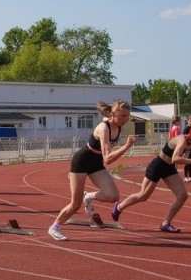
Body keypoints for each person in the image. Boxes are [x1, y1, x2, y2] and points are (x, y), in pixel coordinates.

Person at [48, 100, 137, 241]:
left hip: (95, 162)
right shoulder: (104, 128)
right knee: (75, 204)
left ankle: (88, 196)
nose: (125, 119)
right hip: (82, 161)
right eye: (122, 116)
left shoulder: (118, 127)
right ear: (113, 114)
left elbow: (104, 157)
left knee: (113, 196)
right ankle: (55, 227)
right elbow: (108, 158)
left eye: (127, 116)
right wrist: (126, 147)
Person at [112, 124, 191, 232]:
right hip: (158, 166)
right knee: (143, 196)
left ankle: (165, 223)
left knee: (182, 195)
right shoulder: (182, 140)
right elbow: (175, 159)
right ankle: (119, 207)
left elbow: (174, 161)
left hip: (169, 168)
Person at [181, 115, 191, 182]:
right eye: (190, 121)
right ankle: (185, 176)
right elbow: (184, 137)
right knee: (187, 162)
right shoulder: (186, 128)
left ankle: (190, 176)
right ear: (188, 121)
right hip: (188, 147)